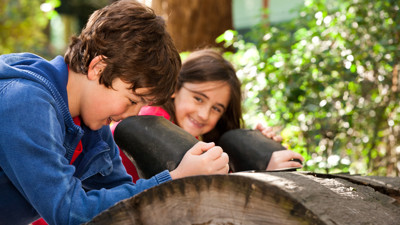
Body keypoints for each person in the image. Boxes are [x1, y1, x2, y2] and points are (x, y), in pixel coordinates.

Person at [0, 2, 229, 225]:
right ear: (98, 69)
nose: (131, 115)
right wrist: (175, 181)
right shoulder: (25, 101)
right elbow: (69, 212)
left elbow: (123, 204)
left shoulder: (94, 128)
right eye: (132, 100)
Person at [111, 48, 304, 181]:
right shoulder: (150, 120)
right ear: (175, 88)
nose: (204, 114)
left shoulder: (189, 136)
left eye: (217, 109)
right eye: (198, 99)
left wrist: (255, 147)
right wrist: (264, 174)